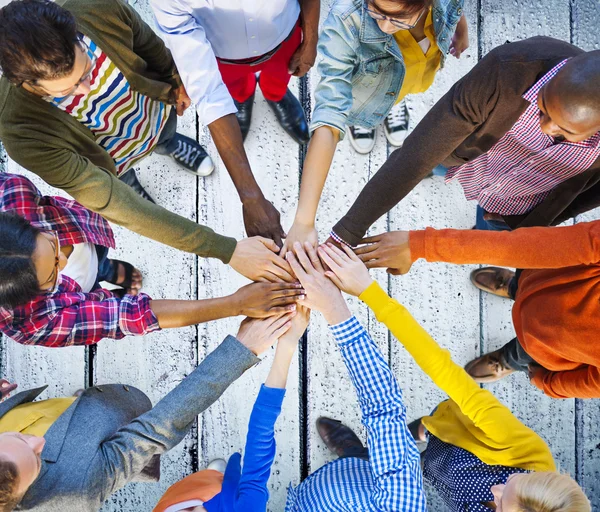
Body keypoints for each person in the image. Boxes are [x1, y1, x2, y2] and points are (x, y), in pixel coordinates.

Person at [0, 0, 295, 283]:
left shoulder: (94, 6)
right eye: (69, 90)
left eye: (87, 70)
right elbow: (116, 202)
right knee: (125, 186)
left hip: (155, 115)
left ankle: (170, 144)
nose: (88, 87)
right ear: (27, 84)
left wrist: (173, 78)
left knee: (165, 138)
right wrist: (225, 249)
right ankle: (132, 179)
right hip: (113, 160)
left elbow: (148, 44)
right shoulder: (21, 133)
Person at [314, 241, 591, 511]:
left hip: (438, 476)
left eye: (500, 505)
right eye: (514, 480)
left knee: (390, 471)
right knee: (413, 435)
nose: (495, 490)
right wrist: (369, 291)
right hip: (444, 431)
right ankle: (388, 444)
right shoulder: (524, 448)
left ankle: (359, 456)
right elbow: (441, 366)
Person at [0, 313, 295, 512]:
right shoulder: (76, 489)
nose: (39, 442)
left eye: (19, 440)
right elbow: (157, 427)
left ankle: (75, 410)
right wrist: (243, 350)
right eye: (37, 460)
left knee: (71, 416)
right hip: (108, 443)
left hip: (50, 412)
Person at [327, 37, 600, 247]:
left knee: (491, 237)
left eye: (564, 130)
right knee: (432, 163)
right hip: (467, 156)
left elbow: (590, 195)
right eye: (542, 107)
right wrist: (348, 232)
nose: (545, 126)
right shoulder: (507, 70)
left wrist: (532, 224)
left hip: (523, 201)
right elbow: (417, 156)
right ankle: (437, 172)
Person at [0, 173, 304, 347]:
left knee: (99, 262)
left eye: (52, 245)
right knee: (88, 283)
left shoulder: (11, 192)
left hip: (85, 232)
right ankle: (101, 275)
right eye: (52, 277)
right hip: (76, 289)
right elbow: (124, 316)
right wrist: (234, 303)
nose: (62, 264)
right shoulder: (28, 322)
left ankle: (108, 268)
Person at [282, 0, 468, 252]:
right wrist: (304, 221)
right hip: (362, 91)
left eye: (399, 19)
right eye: (376, 11)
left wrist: (460, 24)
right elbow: (329, 113)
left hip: (414, 70)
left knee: (402, 89)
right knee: (354, 109)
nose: (383, 25)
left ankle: (389, 104)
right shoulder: (346, 20)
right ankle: (364, 117)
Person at [354, 222, 600, 399]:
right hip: (540, 274)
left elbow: (592, 383)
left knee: (520, 355)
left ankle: (505, 361)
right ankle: (514, 286)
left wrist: (547, 383)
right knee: (526, 274)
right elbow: (519, 247)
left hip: (543, 348)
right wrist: (420, 245)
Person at [151, 0, 319, 246]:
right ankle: (244, 98)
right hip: (222, 59)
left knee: (279, 82)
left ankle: (276, 96)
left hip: (283, 41)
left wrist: (311, 39)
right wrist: (250, 198)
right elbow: (209, 90)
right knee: (236, 92)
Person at [283, 242, 426, 511]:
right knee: (385, 440)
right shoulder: (399, 505)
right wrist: (335, 307)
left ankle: (360, 451)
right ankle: (360, 451)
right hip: (364, 476)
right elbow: (382, 406)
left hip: (309, 498)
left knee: (388, 449)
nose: (498, 489)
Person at [153, 306, 310, 512]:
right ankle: (216, 477)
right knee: (218, 482)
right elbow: (260, 437)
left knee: (191, 487)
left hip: (180, 498)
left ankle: (210, 477)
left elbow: (260, 432)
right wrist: (287, 345)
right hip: (224, 497)